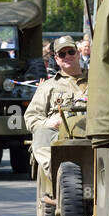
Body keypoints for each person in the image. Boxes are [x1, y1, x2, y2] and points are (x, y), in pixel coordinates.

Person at [25, 36, 88, 182]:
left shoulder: (96, 80)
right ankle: (60, 177)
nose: (67, 56)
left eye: (71, 52)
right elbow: (31, 117)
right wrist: (48, 123)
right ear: (57, 58)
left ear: (78, 53)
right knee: (41, 134)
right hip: (60, 135)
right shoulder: (48, 86)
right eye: (62, 54)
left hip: (94, 131)